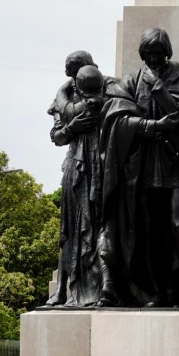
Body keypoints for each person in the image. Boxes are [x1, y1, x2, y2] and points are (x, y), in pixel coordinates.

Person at [98, 28, 179, 308]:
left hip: (173, 163)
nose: (153, 58)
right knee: (147, 231)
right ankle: (157, 291)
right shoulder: (130, 82)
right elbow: (115, 119)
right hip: (141, 166)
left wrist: (160, 90)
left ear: (167, 52)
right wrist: (151, 126)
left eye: (158, 53)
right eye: (148, 53)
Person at [46, 63, 106, 307]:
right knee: (68, 229)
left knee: (97, 225)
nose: (74, 77)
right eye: (72, 72)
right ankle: (61, 290)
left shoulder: (105, 90)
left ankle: (99, 288)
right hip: (75, 166)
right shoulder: (64, 99)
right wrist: (72, 127)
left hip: (100, 165)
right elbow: (57, 137)